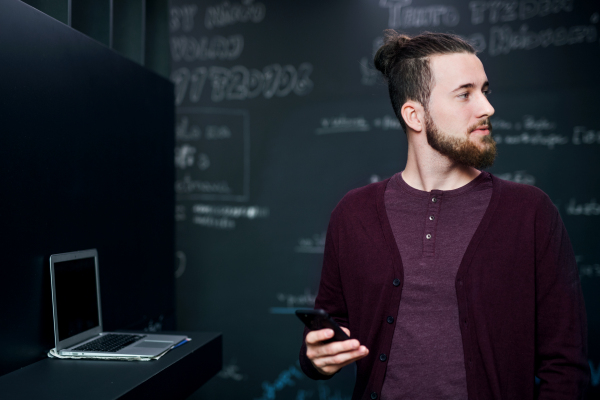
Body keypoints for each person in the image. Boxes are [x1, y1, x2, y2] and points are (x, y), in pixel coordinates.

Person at [299, 30, 589, 399]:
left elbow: (565, 363)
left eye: (485, 91)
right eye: (465, 94)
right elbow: (329, 329)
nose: (487, 108)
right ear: (415, 115)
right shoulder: (352, 214)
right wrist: (316, 358)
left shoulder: (531, 212)